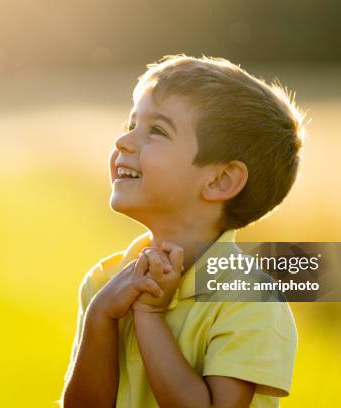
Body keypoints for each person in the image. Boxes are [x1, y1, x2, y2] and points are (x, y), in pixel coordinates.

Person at [61, 54, 305, 408]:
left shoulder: (251, 301)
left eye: (156, 131)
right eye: (131, 124)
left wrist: (149, 316)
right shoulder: (106, 283)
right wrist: (100, 315)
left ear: (221, 180)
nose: (123, 142)